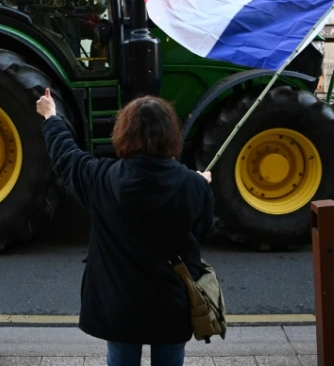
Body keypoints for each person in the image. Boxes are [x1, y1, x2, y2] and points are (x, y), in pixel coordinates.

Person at [36, 88, 215, 366]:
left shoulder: (99, 177)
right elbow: (202, 231)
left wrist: (51, 116)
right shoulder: (193, 185)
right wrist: (200, 185)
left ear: (123, 133)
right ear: (171, 134)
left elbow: (65, 154)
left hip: (118, 303)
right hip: (171, 302)